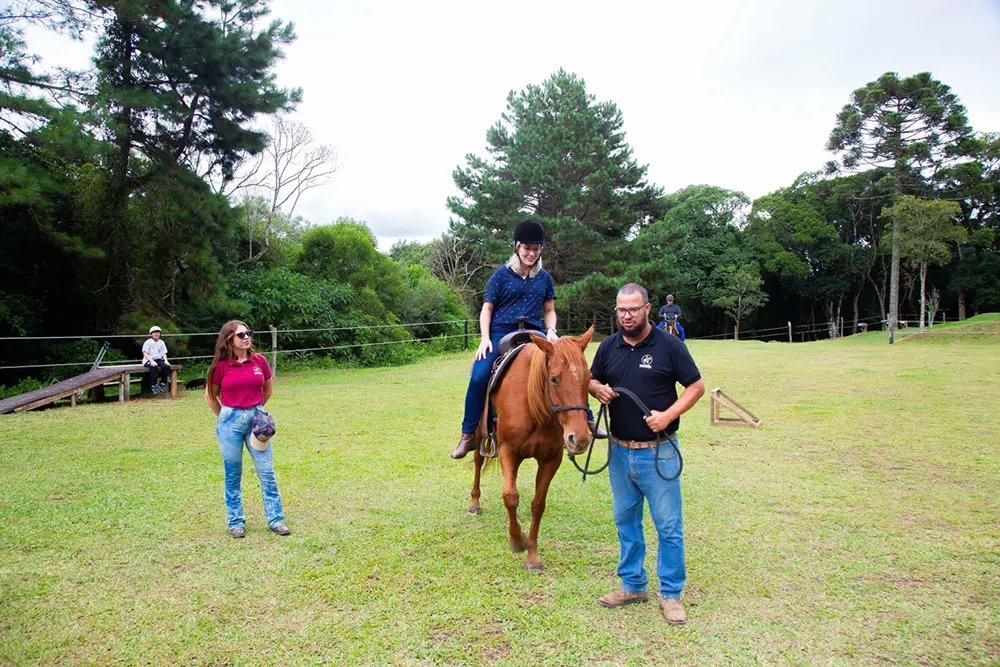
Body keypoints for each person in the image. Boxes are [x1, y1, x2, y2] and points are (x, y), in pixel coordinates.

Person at [589, 283, 705, 625]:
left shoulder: (669, 345)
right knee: (626, 521)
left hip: (659, 452)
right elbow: (591, 380)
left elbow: (696, 386)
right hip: (619, 452)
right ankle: (633, 585)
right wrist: (596, 388)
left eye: (633, 309)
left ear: (648, 309)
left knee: (668, 526)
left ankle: (671, 593)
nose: (626, 316)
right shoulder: (608, 346)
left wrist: (668, 415)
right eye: (621, 310)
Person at [450, 219, 603, 460]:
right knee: (479, 375)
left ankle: (589, 420)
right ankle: (468, 434)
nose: (531, 253)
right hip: (501, 332)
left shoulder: (544, 278)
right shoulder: (501, 275)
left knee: (567, 369)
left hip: (534, 333)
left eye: (536, 249)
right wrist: (485, 338)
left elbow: (549, 309)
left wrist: (551, 329)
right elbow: (487, 309)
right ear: (517, 247)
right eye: (527, 248)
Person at [205, 320, 290, 538]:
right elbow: (211, 396)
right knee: (233, 473)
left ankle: (276, 519)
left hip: (256, 421)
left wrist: (256, 410)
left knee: (266, 471)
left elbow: (267, 390)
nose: (246, 338)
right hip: (230, 421)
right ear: (229, 340)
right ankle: (236, 521)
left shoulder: (259, 361)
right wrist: (226, 417)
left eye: (248, 333)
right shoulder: (220, 366)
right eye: (241, 335)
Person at [141, 325, 172, 394]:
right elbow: (145, 353)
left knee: (166, 366)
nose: (156, 334)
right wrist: (151, 361)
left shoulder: (161, 342)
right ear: (151, 334)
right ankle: (154, 384)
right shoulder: (148, 342)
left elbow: (164, 353)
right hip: (148, 360)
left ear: (160, 334)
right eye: (154, 332)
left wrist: (166, 360)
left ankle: (163, 383)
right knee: (154, 367)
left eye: (157, 332)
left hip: (158, 359)